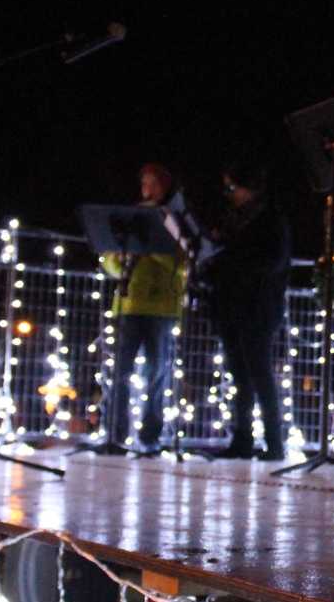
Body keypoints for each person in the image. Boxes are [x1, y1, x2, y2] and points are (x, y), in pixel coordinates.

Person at [94, 162, 189, 455]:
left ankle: (150, 436)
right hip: (128, 304)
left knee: (157, 374)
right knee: (120, 372)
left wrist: (152, 248)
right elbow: (109, 261)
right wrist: (119, 259)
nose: (148, 189)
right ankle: (115, 435)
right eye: (145, 183)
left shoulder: (173, 218)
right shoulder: (130, 216)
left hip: (161, 308)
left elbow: (183, 262)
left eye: (154, 183)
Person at [203, 157, 291, 460]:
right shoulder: (233, 218)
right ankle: (242, 439)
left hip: (258, 305)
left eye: (233, 187)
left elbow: (274, 261)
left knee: (260, 373)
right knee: (240, 375)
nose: (229, 193)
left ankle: (274, 443)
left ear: (250, 187)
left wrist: (231, 258)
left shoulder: (270, 219)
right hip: (230, 303)